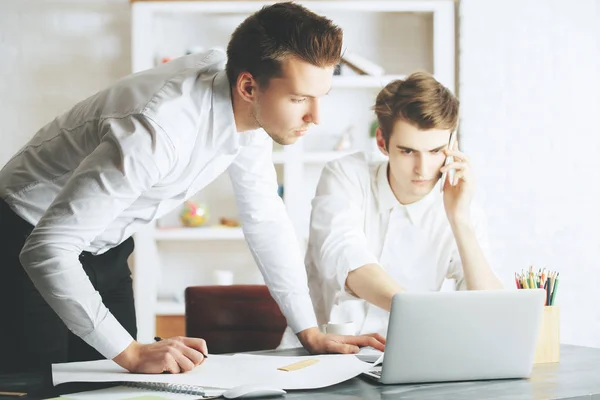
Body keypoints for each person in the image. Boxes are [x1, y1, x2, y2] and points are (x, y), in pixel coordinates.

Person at [0, 2, 384, 375]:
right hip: (23, 233)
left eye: (321, 98)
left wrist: (309, 330)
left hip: (106, 247)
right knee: (37, 386)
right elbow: (47, 249)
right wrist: (131, 353)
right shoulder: (157, 131)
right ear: (248, 86)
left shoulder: (249, 111)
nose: (315, 117)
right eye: (300, 99)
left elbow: (265, 218)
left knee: (108, 386)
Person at [280, 72, 503, 345]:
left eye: (435, 152)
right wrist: (421, 314)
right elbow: (345, 259)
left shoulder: (463, 210)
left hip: (403, 360)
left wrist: (460, 221)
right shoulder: (346, 175)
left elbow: (491, 312)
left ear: (452, 147)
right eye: (408, 151)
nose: (422, 169)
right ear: (382, 143)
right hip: (317, 354)